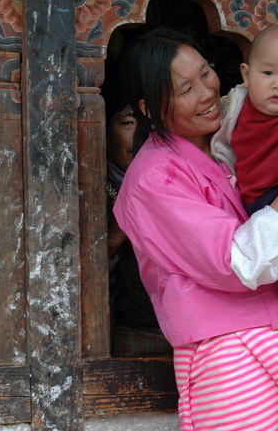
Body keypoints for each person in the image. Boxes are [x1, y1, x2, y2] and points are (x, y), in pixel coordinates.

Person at [114, 27, 278, 430]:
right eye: (185, 89)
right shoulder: (154, 178)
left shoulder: (228, 139)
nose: (206, 93)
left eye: (206, 73)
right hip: (227, 351)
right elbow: (238, 261)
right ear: (149, 108)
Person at [106, 97, 170, 356]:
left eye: (148, 123)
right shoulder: (91, 192)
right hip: (129, 334)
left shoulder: (175, 185)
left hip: (187, 332)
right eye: (128, 122)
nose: (141, 133)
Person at [212, 24, 278, 215]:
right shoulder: (233, 107)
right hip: (257, 200)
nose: (276, 84)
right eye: (267, 73)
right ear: (246, 75)